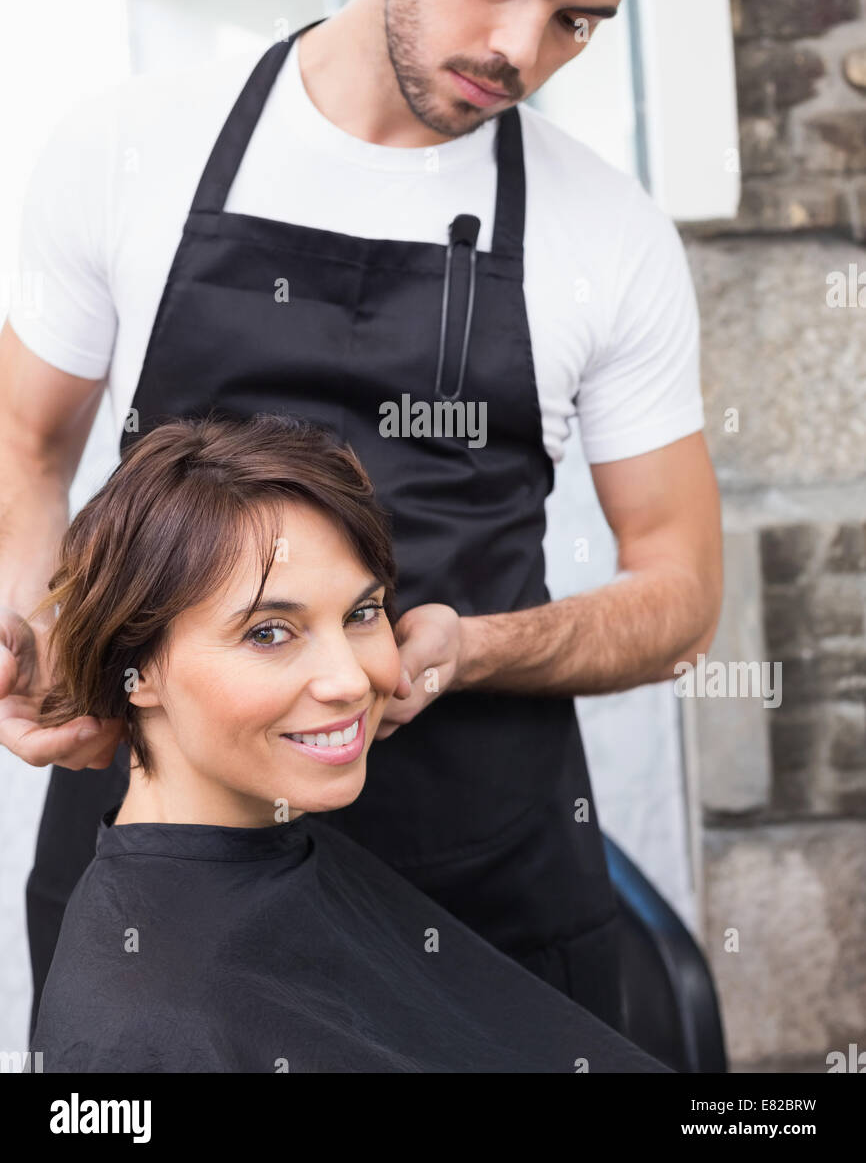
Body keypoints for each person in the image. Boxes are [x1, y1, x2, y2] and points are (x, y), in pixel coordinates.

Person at [0, 0, 724, 1043]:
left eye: (576, 22)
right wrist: (54, 620)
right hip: (168, 885)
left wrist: (467, 646)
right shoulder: (132, 147)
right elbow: (22, 444)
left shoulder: (608, 234)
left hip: (483, 873)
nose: (520, 48)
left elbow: (676, 599)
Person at [30, 411, 671, 1073]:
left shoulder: (283, 853)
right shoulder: (144, 1039)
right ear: (136, 671)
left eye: (363, 614)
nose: (350, 679)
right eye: (269, 633)